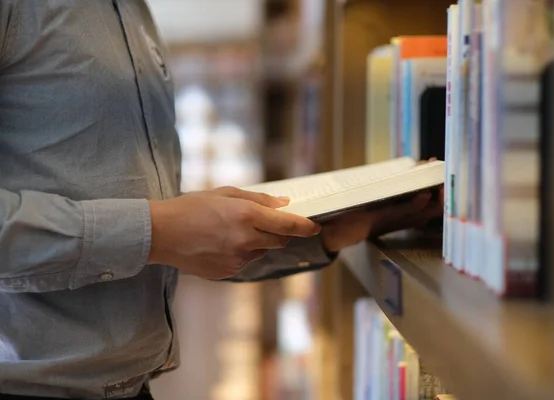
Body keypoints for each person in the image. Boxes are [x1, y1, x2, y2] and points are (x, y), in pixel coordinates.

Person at [0, 2, 442, 399]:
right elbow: (153, 230)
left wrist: (340, 229)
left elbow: (141, 226)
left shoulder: (132, 12)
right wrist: (159, 231)